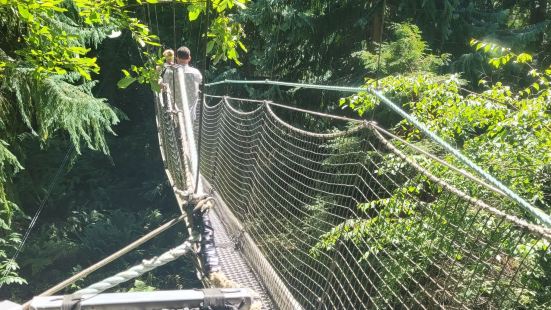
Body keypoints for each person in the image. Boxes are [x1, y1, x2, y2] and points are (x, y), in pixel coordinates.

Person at [175, 46, 202, 119]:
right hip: (189, 114)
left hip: (175, 113)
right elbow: (200, 81)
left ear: (176, 57)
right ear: (189, 58)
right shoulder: (195, 72)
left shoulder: (170, 72)